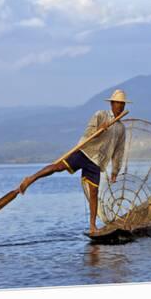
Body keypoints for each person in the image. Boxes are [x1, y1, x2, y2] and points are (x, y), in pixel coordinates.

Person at [18, 89, 130, 235]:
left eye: (122, 104)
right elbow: (88, 133)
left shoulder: (121, 128)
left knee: (94, 192)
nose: (120, 107)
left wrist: (115, 171)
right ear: (112, 104)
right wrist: (100, 129)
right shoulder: (100, 115)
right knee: (57, 167)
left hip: (97, 162)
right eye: (117, 103)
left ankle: (92, 227)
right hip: (84, 152)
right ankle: (30, 179)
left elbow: (118, 151)